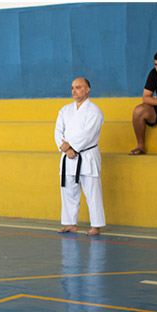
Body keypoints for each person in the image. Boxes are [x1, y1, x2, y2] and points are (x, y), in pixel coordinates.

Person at [55, 78, 105, 236]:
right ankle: (70, 223)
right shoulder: (65, 110)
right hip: (68, 157)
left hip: (87, 155)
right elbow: (58, 131)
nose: (74, 91)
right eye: (72, 88)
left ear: (87, 89)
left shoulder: (94, 111)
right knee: (68, 191)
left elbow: (88, 134)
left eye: (78, 87)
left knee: (93, 192)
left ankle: (96, 225)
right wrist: (65, 148)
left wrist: (71, 147)